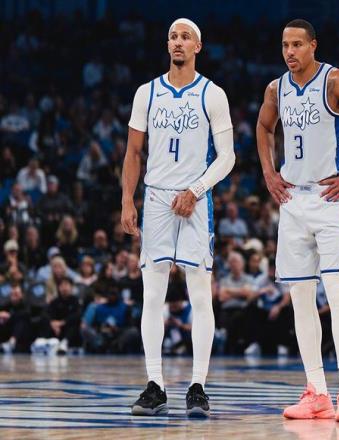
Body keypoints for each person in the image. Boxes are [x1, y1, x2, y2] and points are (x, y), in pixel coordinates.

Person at [256, 19, 339, 422]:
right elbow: (263, 126)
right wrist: (269, 172)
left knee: (337, 295)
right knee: (300, 299)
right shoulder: (276, 89)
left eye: (297, 44)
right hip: (292, 201)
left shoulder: (336, 81)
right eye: (285, 45)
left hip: (330, 200)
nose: (290, 52)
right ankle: (317, 391)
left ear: (313, 45)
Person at [121, 18, 234, 417]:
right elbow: (134, 152)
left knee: (199, 294)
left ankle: (197, 386)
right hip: (155, 198)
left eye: (186, 37)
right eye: (173, 36)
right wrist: (127, 200)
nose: (178, 42)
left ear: (198, 46)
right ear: (167, 44)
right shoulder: (147, 92)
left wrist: (196, 189)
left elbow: (227, 157)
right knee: (152, 295)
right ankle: (155, 385)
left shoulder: (212, 94)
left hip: (194, 201)